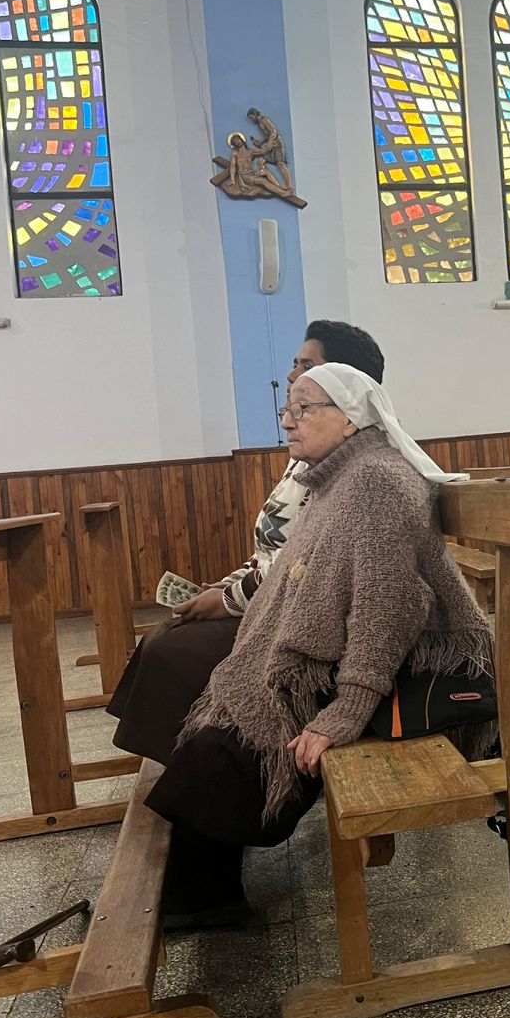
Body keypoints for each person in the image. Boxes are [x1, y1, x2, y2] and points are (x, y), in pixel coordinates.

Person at [148, 362, 493, 927]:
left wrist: (348, 708)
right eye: (287, 407)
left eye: (304, 407)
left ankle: (199, 897)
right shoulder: (340, 476)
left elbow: (392, 605)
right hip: (345, 655)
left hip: (400, 673)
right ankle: (194, 889)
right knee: (213, 701)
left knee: (227, 741)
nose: (288, 420)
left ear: (351, 418)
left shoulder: (376, 480)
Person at [107, 320, 385, 767]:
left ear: (345, 388)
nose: (292, 375)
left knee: (173, 651)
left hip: (310, 623)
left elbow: (311, 569)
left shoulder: (361, 470)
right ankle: (181, 768)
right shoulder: (306, 459)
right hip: (277, 599)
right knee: (165, 639)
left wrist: (230, 600)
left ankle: (194, 772)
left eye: (306, 366)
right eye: (294, 365)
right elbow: (271, 550)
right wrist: (226, 587)